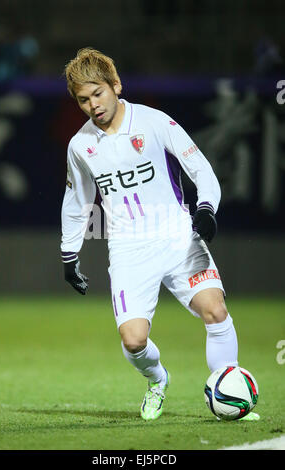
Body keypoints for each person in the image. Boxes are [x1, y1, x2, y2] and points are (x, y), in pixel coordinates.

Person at [60, 48, 259, 421]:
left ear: (115, 85)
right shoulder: (80, 146)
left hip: (176, 235)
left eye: (98, 93)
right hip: (127, 247)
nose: (93, 105)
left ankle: (231, 392)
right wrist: (69, 255)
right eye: (83, 100)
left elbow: (199, 167)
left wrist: (206, 209)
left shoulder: (154, 122)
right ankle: (157, 379)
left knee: (215, 310)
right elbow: (76, 202)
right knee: (133, 340)